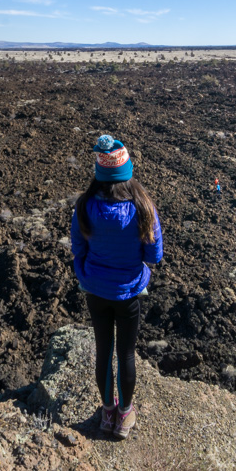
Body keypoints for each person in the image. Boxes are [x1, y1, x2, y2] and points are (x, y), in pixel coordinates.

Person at [71, 134, 163, 440]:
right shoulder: (144, 207)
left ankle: (107, 413)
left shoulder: (84, 206)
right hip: (128, 294)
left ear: (100, 173)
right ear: (127, 172)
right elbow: (154, 255)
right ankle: (124, 415)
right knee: (125, 353)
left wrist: (85, 276)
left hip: (95, 292)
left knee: (103, 352)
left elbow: (77, 249)